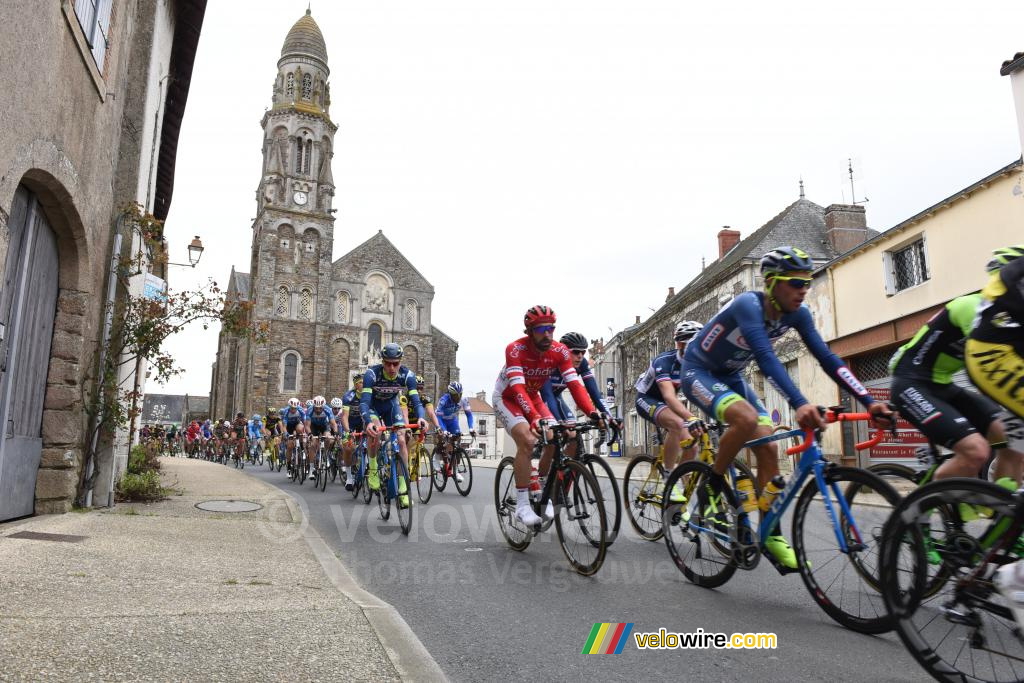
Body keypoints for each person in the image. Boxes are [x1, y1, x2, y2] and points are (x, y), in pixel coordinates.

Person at [680, 246, 893, 569]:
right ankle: (712, 486)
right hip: (699, 372)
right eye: (795, 283)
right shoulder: (747, 306)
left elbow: (828, 358)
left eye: (806, 283)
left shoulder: (798, 314)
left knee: (766, 444)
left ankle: (771, 533)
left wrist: (869, 401)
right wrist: (800, 403)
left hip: (732, 376)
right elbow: (766, 360)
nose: (803, 290)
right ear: (771, 283)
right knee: (747, 418)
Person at [889, 254, 1023, 485]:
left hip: (944, 386)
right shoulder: (972, 307)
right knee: (976, 452)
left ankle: (1004, 511)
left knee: (1016, 443)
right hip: (911, 383)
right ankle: (932, 498)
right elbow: (987, 370)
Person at [493, 305, 601, 526]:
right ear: (529, 331)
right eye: (541, 329)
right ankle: (523, 505)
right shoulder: (515, 349)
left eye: (551, 328)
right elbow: (518, 388)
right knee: (528, 439)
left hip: (533, 398)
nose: (547, 334)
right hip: (508, 397)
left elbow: (575, 385)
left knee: (554, 437)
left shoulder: (560, 351)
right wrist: (533, 417)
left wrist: (593, 412)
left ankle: (541, 488)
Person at [965, 245, 1024, 624]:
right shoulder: (972, 303)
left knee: (1016, 454)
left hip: (1007, 360)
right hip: (991, 358)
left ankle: (1006, 514)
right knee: (993, 445)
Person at [633, 322, 704, 501]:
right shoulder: (664, 361)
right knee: (677, 424)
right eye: (695, 344)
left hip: (666, 403)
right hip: (647, 399)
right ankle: (669, 476)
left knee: (692, 445)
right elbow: (670, 397)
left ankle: (686, 499)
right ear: (680, 344)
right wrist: (691, 416)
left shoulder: (697, 363)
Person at [361, 343, 428, 507]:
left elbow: (416, 401)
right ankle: (374, 466)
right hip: (373, 407)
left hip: (391, 405)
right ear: (382, 362)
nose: (392, 368)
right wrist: (368, 423)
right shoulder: (371, 374)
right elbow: (364, 402)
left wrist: (421, 418)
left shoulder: (407, 375)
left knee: (401, 439)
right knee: (375, 432)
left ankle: (403, 488)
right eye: (388, 363)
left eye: (395, 364)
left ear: (400, 362)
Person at [433, 381, 474, 483]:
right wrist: (444, 430)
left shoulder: (464, 400)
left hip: (452, 421)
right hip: (441, 421)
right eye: (456, 395)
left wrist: (471, 428)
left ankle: (455, 470)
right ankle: (436, 457)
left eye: (460, 394)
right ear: (450, 394)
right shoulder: (444, 400)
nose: (458, 397)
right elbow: (438, 416)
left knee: (457, 441)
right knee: (442, 438)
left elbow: (469, 414)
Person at [304, 395, 339, 477]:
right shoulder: (310, 410)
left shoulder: (327, 409)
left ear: (323, 406)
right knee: (313, 445)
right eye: (316, 408)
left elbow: (333, 423)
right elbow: (307, 426)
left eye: (320, 408)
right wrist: (309, 434)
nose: (318, 410)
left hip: (324, 425)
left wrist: (336, 433)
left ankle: (325, 454)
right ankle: (312, 469)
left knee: (327, 437)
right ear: (313, 406)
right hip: (313, 426)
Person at [341, 374, 365, 491]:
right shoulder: (348, 396)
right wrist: (348, 431)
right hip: (350, 424)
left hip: (363, 423)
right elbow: (344, 417)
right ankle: (349, 478)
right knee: (348, 448)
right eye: (361, 383)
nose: (364, 385)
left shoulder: (369, 395)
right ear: (356, 385)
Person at [278, 398, 306, 472]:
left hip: (297, 424)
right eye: (292, 408)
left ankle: (302, 448)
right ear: (289, 407)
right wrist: (286, 434)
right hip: (288, 426)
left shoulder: (300, 410)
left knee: (300, 429)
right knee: (290, 446)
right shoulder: (286, 411)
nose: (293, 410)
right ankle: (289, 465)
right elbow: (284, 427)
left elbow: (305, 421)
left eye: (295, 408)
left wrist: (305, 432)